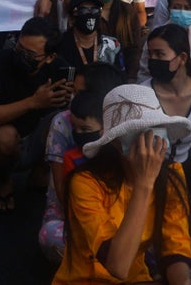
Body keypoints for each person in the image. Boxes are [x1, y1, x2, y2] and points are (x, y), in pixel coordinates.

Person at [53, 84, 191, 284]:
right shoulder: (85, 183)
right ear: (117, 143)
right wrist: (144, 183)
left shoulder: (171, 175)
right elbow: (117, 265)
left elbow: (175, 247)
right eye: (141, 133)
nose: (152, 142)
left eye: (156, 130)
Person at [0, 17, 73, 213]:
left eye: (30, 54)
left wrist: (70, 97)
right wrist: (33, 102)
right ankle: (4, 180)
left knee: (63, 120)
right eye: (19, 49)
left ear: (50, 57)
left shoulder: (59, 68)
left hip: (35, 135)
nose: (21, 56)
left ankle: (40, 172)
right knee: (5, 137)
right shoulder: (2, 59)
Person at [37, 68, 125, 264]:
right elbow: (60, 189)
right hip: (71, 211)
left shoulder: (122, 125)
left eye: (79, 92)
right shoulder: (64, 122)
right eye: (73, 90)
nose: (72, 96)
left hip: (113, 210)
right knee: (50, 236)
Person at [143, 23, 191, 192]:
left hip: (187, 175)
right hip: (149, 179)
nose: (153, 60)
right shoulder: (142, 94)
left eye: (160, 54)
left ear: (182, 58)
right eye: (150, 54)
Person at [55, 0, 124, 81]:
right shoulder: (59, 46)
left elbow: (121, 79)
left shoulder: (112, 45)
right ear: (71, 18)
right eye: (83, 10)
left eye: (95, 10)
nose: (90, 14)